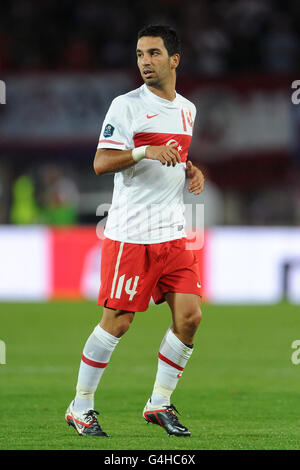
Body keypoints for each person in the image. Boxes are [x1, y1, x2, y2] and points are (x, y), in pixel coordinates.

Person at [65, 24, 205, 438]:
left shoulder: (188, 109)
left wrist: (189, 169)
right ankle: (80, 406)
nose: (145, 61)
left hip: (174, 234)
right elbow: (101, 163)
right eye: (141, 54)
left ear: (174, 60)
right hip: (132, 235)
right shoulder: (126, 106)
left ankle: (159, 403)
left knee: (190, 317)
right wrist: (144, 150)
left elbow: (174, 155)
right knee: (118, 322)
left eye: (154, 54)